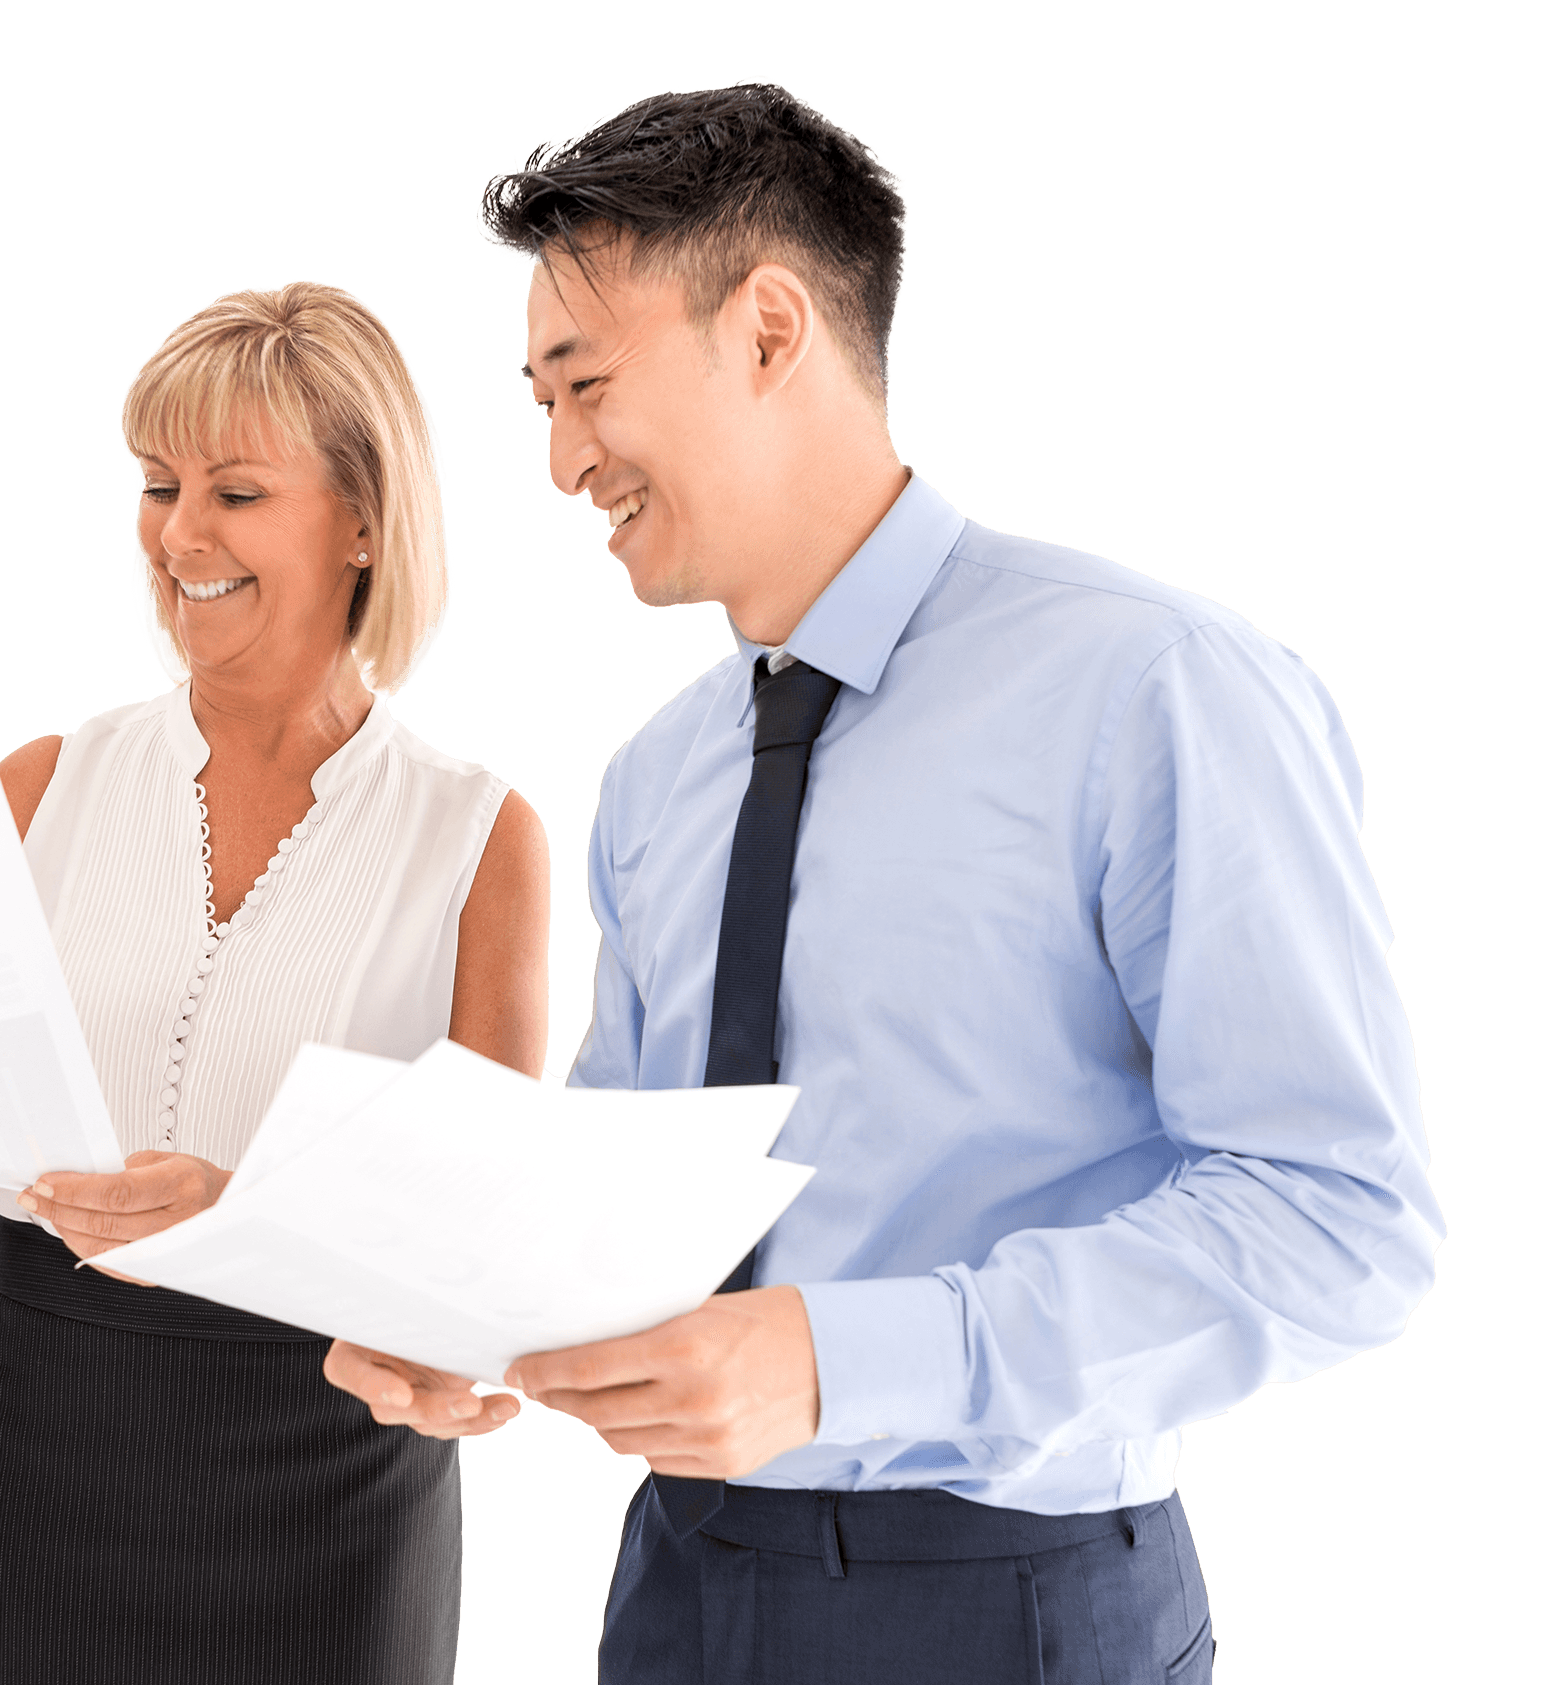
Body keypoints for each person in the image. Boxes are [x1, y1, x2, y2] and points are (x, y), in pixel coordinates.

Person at [323, 78, 1442, 1684]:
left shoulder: (1154, 687)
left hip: (1016, 1601)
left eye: (586, 385)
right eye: (539, 403)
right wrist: (474, 1321)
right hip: (679, 1580)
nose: (563, 459)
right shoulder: (658, 775)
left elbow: (1338, 1214)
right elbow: (631, 1170)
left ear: (770, 331)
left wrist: (846, 1360)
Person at [0, 280, 551, 1685]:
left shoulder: (476, 836)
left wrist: (257, 1216)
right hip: (37, 1411)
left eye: (236, 491)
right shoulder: (44, 786)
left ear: (361, 519)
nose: (181, 536)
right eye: (158, 487)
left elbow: (484, 1265)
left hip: (325, 1443)